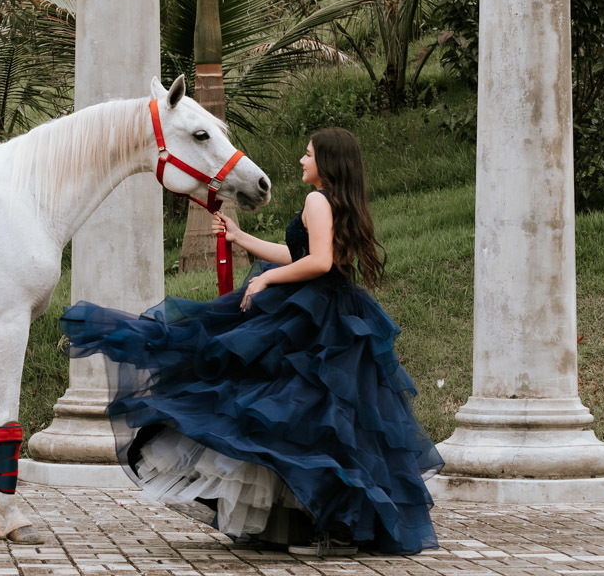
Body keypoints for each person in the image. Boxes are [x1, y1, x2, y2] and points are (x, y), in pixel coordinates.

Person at [60, 127, 441, 556]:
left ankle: (329, 525)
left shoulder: (317, 200)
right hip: (337, 312)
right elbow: (302, 254)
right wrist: (242, 240)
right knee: (325, 422)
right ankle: (332, 525)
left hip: (313, 314)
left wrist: (266, 278)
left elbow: (319, 261)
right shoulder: (339, 201)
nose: (302, 160)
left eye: (309, 153)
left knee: (293, 411)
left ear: (327, 162)